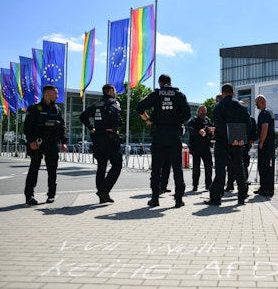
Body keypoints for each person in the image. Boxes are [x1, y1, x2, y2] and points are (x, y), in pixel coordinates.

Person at [136, 74, 191, 208]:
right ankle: (178, 199)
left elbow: (139, 108)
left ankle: (155, 199)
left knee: (156, 168)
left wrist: (148, 119)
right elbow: (188, 114)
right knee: (177, 168)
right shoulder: (179, 95)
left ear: (160, 83)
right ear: (170, 82)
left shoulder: (156, 94)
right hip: (174, 135)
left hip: (159, 134)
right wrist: (178, 120)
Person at [206, 83, 251, 206]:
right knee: (239, 168)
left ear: (223, 93)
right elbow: (249, 124)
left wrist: (226, 136)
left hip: (222, 142)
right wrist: (242, 139)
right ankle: (242, 195)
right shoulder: (242, 107)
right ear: (233, 93)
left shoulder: (219, 106)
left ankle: (216, 198)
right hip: (237, 142)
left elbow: (220, 125)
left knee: (220, 170)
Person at [23, 85, 67, 205]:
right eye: (55, 94)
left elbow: (62, 127)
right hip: (37, 143)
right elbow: (27, 127)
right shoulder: (34, 108)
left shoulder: (57, 110)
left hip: (52, 143)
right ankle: (29, 195)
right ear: (47, 94)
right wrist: (31, 141)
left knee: (52, 170)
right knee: (34, 169)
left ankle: (51, 195)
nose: (57, 96)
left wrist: (64, 142)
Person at [80, 84, 123, 203]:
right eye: (114, 90)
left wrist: (92, 127)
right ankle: (104, 191)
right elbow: (116, 117)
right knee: (117, 165)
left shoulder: (96, 104)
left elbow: (83, 116)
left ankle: (102, 196)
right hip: (109, 137)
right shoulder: (113, 102)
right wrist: (115, 128)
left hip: (98, 138)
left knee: (101, 167)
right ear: (110, 91)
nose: (115, 93)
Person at [226, 116, 258, 191]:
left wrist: (251, 140)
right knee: (230, 166)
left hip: (244, 145)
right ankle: (230, 184)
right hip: (232, 144)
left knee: (243, 166)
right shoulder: (231, 117)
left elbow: (254, 131)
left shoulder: (249, 118)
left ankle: (244, 187)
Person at [188, 105, 214, 191]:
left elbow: (211, 131)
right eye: (202, 111)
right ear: (198, 112)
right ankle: (195, 185)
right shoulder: (193, 120)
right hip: (196, 147)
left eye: (204, 111)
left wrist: (211, 131)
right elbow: (190, 130)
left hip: (206, 147)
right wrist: (198, 131)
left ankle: (208, 185)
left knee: (209, 166)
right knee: (196, 167)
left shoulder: (208, 120)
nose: (203, 112)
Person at [253, 95, 275, 197]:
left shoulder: (264, 113)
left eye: (256, 102)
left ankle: (266, 189)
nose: (255, 104)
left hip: (266, 143)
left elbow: (264, 128)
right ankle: (264, 187)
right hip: (269, 142)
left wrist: (261, 142)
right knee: (263, 166)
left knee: (264, 166)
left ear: (261, 102)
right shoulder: (268, 112)